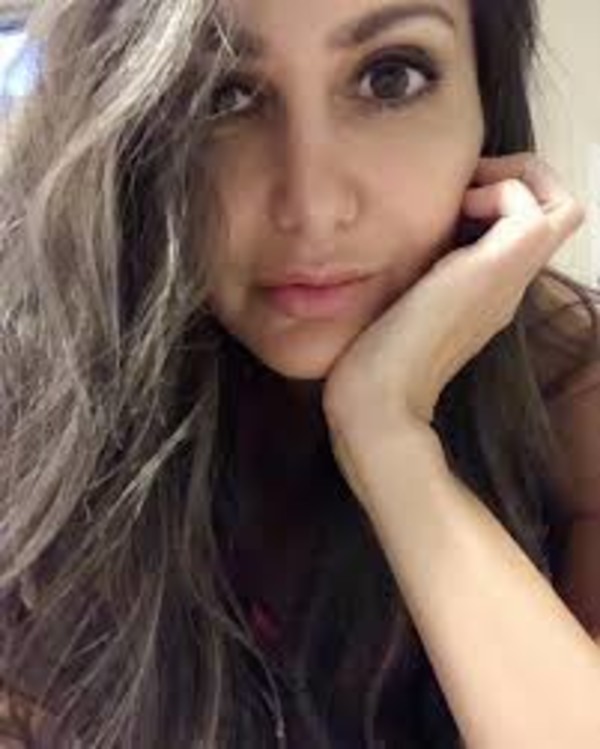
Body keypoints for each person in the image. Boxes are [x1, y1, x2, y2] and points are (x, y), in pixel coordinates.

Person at [0, 0, 600, 746]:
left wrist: (389, 437)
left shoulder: (571, 384)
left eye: (391, 77)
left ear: (488, 103)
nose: (313, 208)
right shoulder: (33, 418)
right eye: (223, 94)